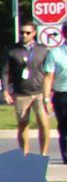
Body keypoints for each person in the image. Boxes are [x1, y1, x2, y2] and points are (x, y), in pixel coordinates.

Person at [7, 21, 53, 158]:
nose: (24, 35)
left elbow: (49, 72)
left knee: (43, 122)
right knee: (23, 124)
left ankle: (43, 154)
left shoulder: (42, 49)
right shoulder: (13, 50)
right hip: (21, 92)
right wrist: (5, 90)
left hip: (39, 92)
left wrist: (49, 93)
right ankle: (24, 154)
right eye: (22, 32)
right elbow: (5, 71)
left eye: (27, 32)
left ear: (34, 33)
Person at [43, 34, 67, 168]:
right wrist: (47, 99)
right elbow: (48, 77)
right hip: (62, 94)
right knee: (64, 127)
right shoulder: (55, 53)